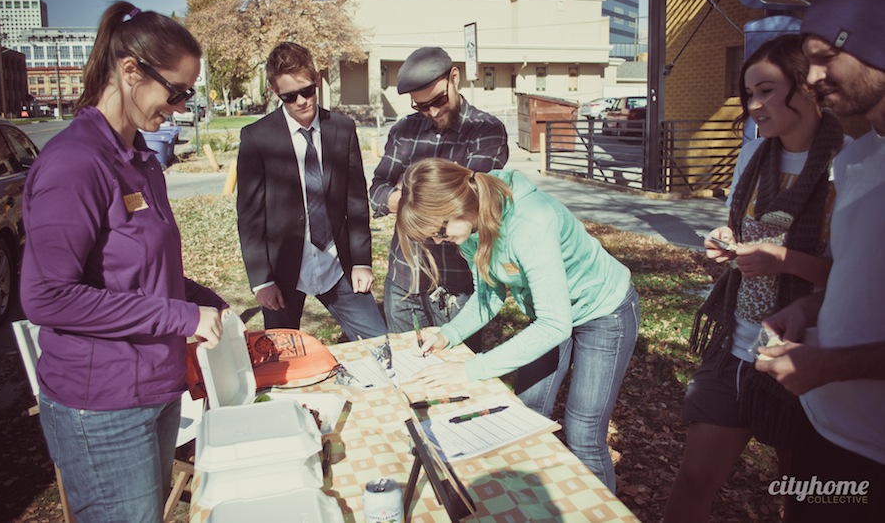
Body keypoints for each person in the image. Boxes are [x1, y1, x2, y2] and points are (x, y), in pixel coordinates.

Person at [19, 1, 228, 522]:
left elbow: (144, 272)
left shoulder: (141, 161)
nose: (180, 107)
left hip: (155, 387)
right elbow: (47, 296)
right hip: (103, 404)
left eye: (188, 94)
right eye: (175, 91)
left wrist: (207, 302)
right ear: (130, 70)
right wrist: (181, 317)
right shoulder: (75, 163)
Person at [664, 34, 844, 522]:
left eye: (766, 90)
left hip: (805, 355)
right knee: (695, 480)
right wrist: (729, 237)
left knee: (806, 496)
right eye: (749, 94)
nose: (754, 106)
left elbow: (854, 277)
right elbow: (745, 229)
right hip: (736, 346)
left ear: (807, 88)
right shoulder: (755, 155)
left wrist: (785, 260)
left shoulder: (847, 165)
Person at [398, 158, 639, 492]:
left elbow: (555, 326)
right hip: (552, 314)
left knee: (583, 432)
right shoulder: (470, 226)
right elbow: (490, 293)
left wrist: (471, 368)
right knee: (526, 411)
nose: (440, 241)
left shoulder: (530, 223)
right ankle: (535, 497)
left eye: (440, 231)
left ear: (456, 203)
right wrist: (448, 333)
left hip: (603, 312)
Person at [754, 0, 885, 522]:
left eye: (826, 55)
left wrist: (830, 365)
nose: (811, 77)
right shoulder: (860, 157)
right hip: (825, 427)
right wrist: (808, 310)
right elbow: (852, 272)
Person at [236, 42, 386, 339]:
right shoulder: (257, 138)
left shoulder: (342, 129)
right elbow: (250, 218)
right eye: (290, 97)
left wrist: (361, 261)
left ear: (317, 79)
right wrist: (262, 281)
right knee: (281, 359)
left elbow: (355, 201)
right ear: (275, 92)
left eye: (307, 90)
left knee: (379, 341)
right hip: (283, 273)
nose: (302, 101)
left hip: (338, 265)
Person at [369, 47, 508, 350]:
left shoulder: (485, 130)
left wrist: (413, 204)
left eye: (438, 100)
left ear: (454, 77)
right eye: (421, 106)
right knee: (407, 370)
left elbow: (471, 202)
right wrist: (404, 201)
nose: (432, 112)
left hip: (455, 282)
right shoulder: (405, 130)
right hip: (404, 275)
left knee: (456, 381)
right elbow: (377, 188)